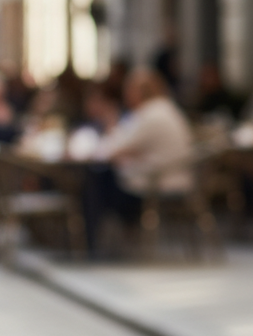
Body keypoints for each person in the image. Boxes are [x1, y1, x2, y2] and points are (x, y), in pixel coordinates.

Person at [82, 67, 193, 256]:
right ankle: (100, 241)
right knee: (101, 178)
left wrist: (111, 125)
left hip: (156, 181)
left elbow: (113, 150)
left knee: (94, 181)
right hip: (165, 175)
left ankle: (88, 245)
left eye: (129, 91)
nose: (126, 96)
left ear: (138, 92)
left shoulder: (151, 115)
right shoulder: (165, 109)